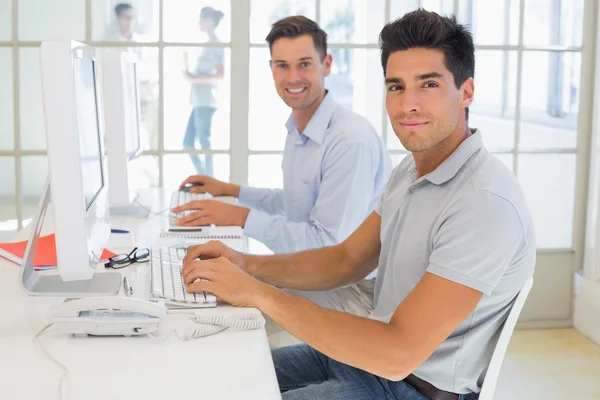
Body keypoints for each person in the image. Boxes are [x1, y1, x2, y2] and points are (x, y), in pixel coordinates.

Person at [179, 9, 536, 400]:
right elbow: (346, 259)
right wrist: (245, 265)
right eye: (396, 87)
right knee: (207, 378)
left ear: (466, 92)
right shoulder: (411, 171)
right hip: (364, 358)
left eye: (428, 84)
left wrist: (258, 292)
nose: (407, 105)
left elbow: (398, 354)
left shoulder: (483, 203)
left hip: (410, 385)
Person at [173, 16, 392, 343]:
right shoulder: (300, 126)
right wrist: (233, 192)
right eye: (282, 65)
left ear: (326, 64)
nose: (293, 77)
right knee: (206, 298)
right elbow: (294, 203)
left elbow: (327, 246)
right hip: (316, 276)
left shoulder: (349, 140)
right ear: (271, 68)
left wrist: (240, 217)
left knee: (222, 322)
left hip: (355, 293)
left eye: (304, 64)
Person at [104, 3, 160, 183]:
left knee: (149, 142)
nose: (130, 22)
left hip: (147, 97)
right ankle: (129, 181)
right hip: (123, 101)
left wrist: (150, 79)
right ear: (117, 18)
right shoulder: (109, 43)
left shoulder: (141, 42)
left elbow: (154, 69)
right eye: (126, 17)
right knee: (125, 142)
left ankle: (154, 181)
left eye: (132, 18)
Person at [182, 6, 225, 176]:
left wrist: (194, 78)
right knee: (188, 143)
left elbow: (220, 75)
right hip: (198, 100)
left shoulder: (216, 45)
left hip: (206, 101)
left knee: (204, 143)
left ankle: (209, 180)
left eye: (201, 18)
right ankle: (204, 177)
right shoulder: (207, 45)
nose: (199, 22)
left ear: (209, 22)